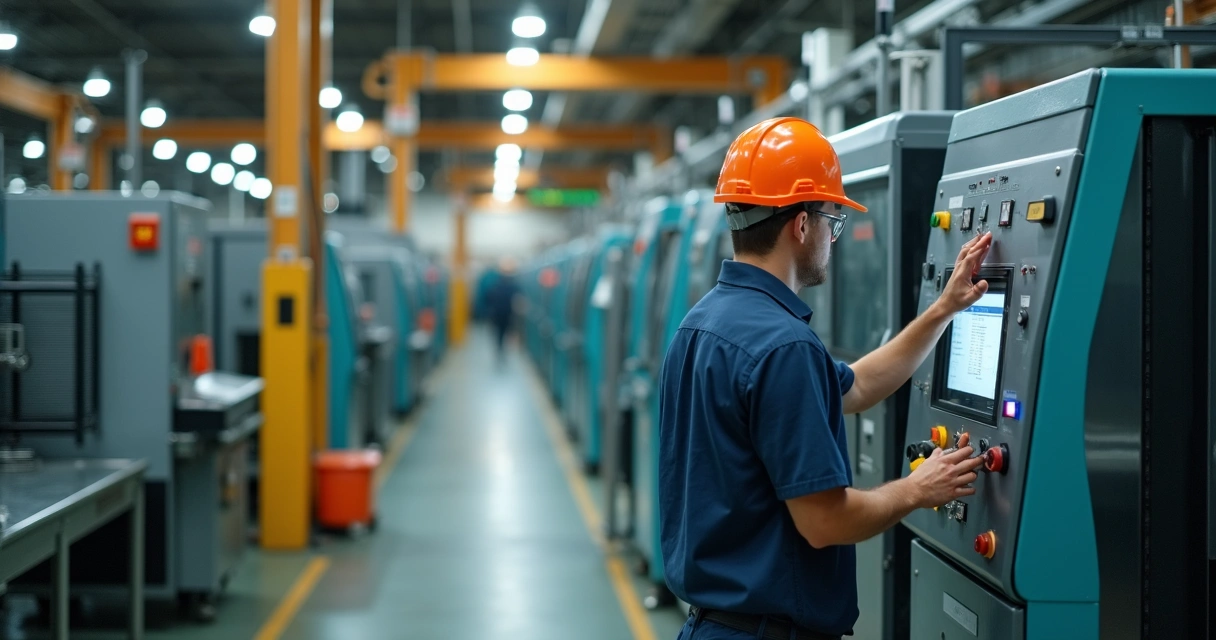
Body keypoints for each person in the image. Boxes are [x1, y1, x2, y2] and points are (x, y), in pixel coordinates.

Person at [658, 117, 991, 640]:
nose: (833, 238)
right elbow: (825, 522)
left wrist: (943, 310)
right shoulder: (783, 345)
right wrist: (916, 488)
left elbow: (855, 386)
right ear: (801, 225)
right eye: (832, 220)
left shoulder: (702, 323)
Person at [484, 258, 521, 362]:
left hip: (497, 314)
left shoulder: (494, 285)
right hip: (507, 314)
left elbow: (488, 299)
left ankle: (500, 350)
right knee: (505, 333)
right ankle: (502, 350)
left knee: (499, 334)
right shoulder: (514, 285)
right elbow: (518, 300)